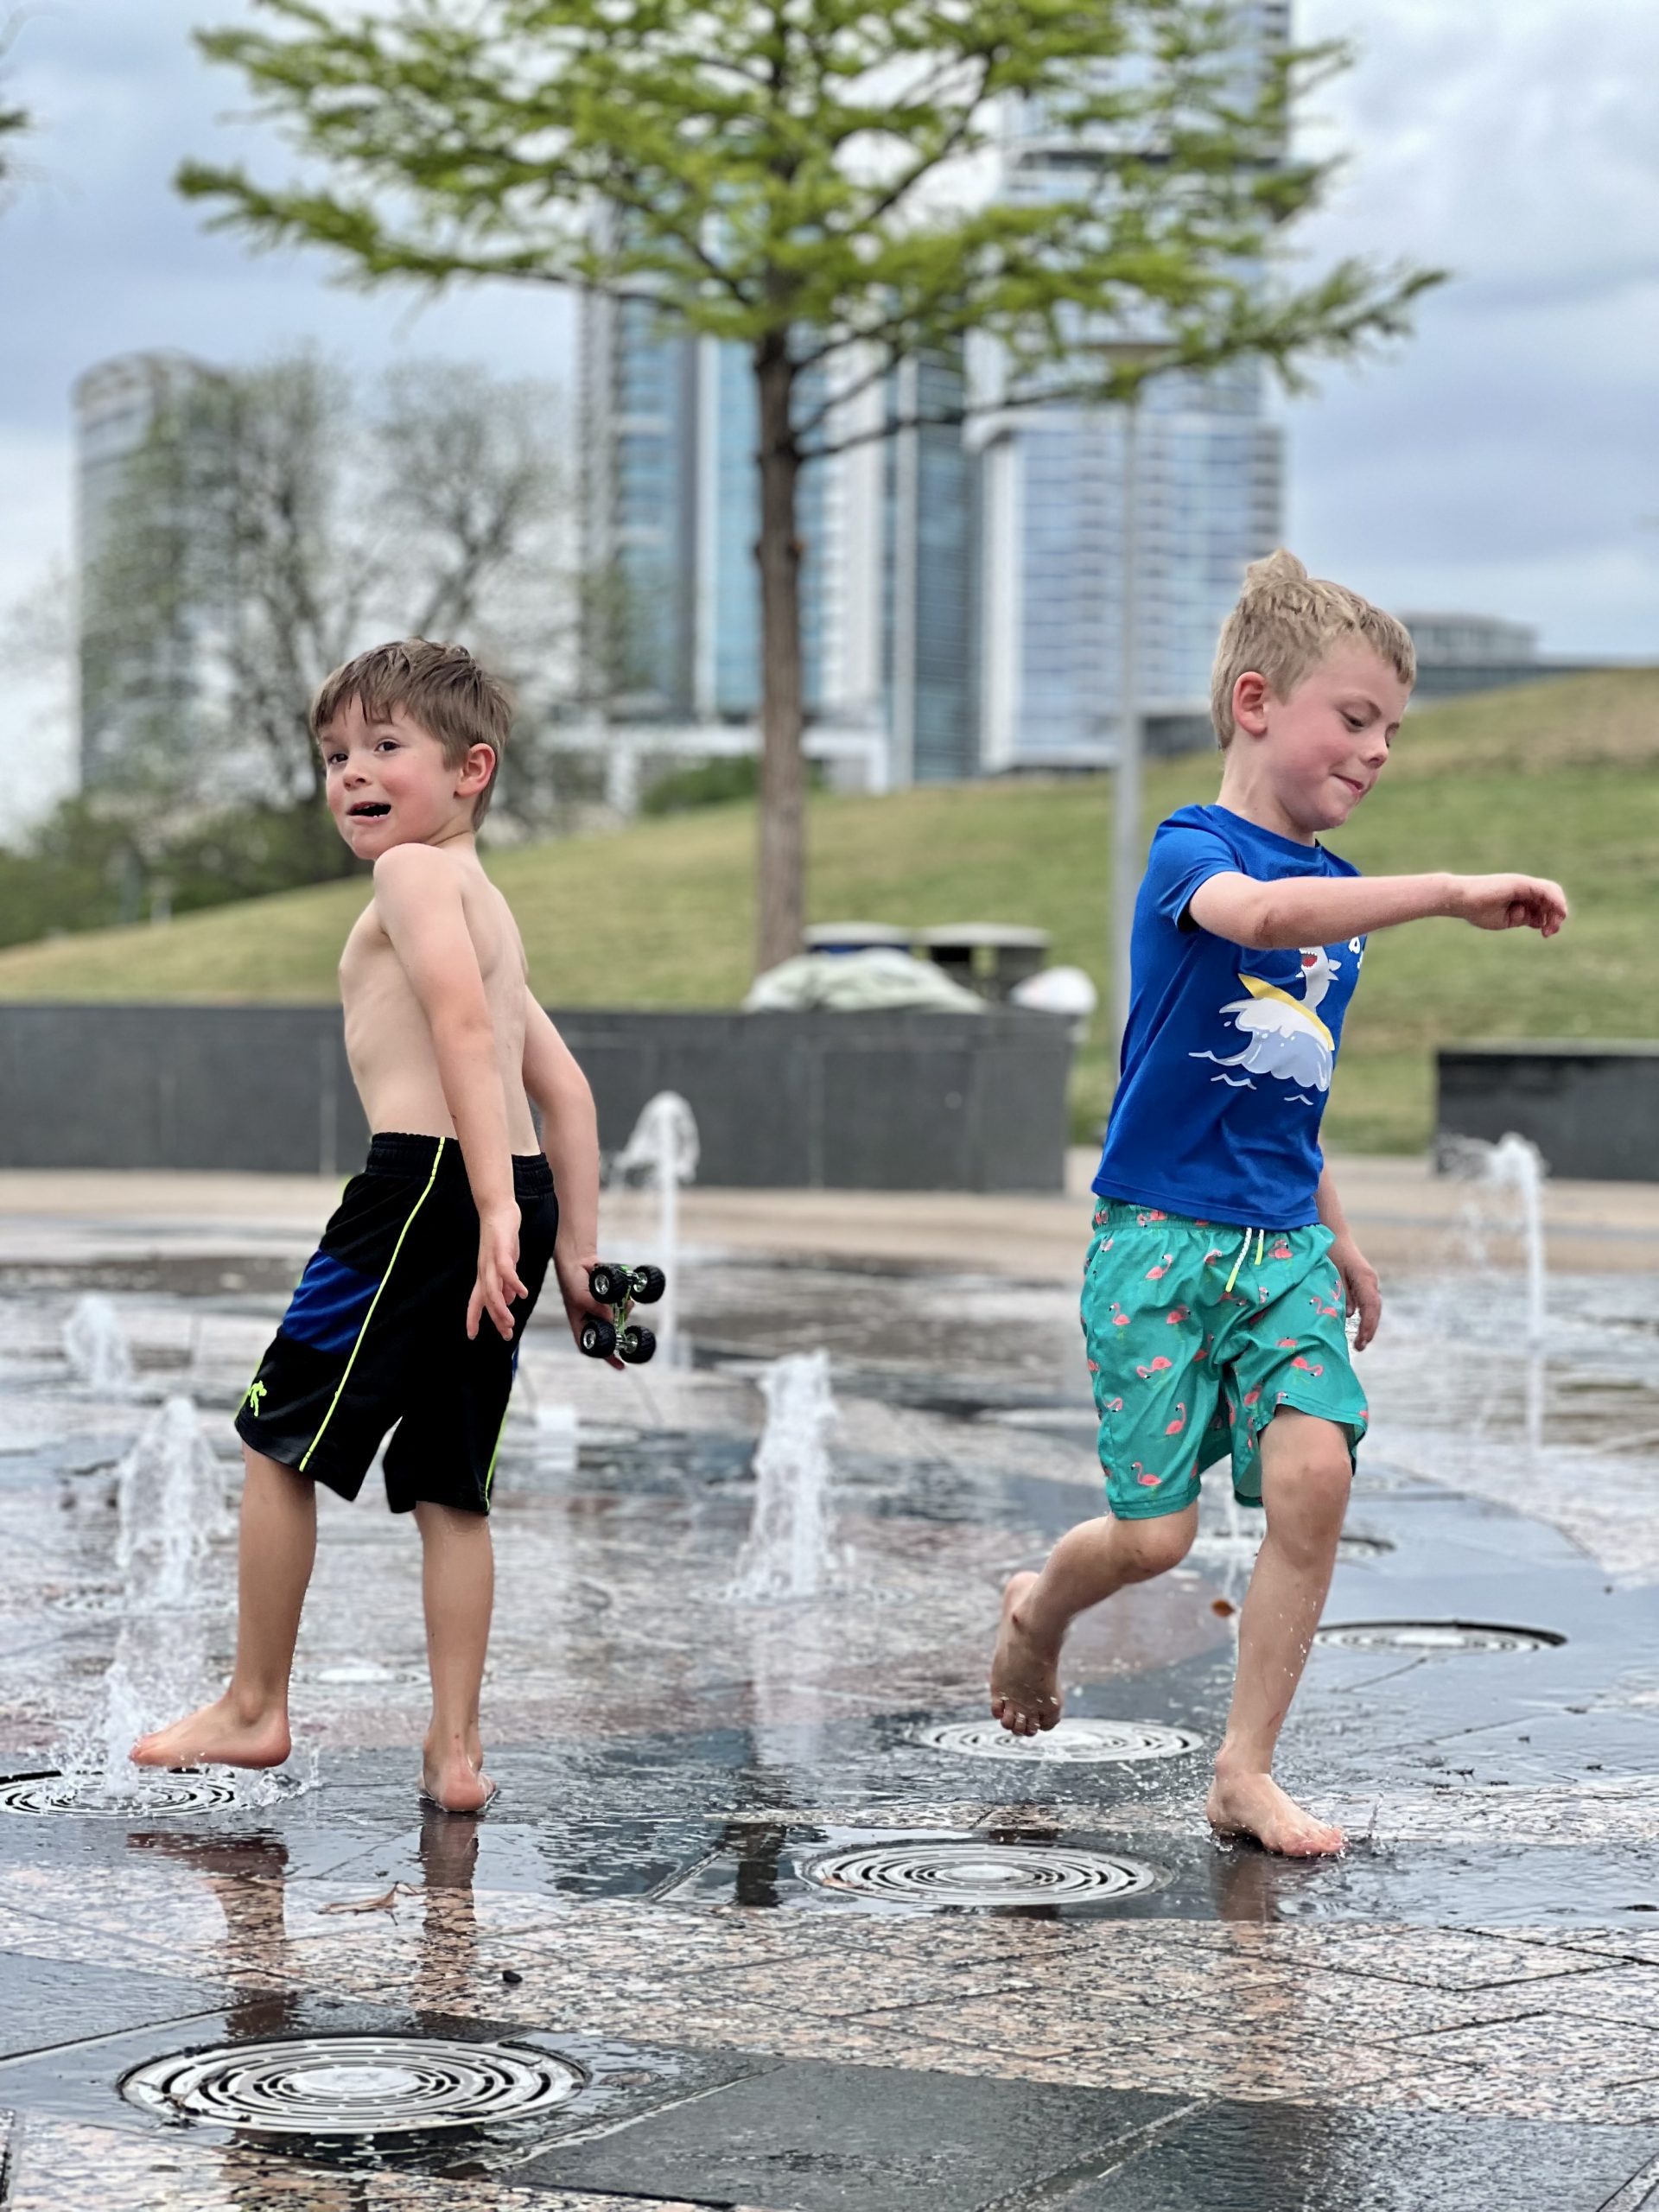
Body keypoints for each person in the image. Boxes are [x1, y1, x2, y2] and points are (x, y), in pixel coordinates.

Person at [988, 551, 1568, 1855]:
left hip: (1283, 1248)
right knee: (1153, 1538)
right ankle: (1039, 1612)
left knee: (1314, 1478)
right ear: (1257, 702)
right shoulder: (1194, 849)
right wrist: (1447, 890)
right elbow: (1256, 922)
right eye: (1353, 720)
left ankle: (1243, 1769)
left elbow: (1285, 1092)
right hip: (1155, 1241)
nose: (1375, 753)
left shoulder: (1342, 910)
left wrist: (1342, 1235)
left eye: (1392, 734)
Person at [133, 639, 608, 1812]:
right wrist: (574, 1249)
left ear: (471, 770)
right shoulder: (487, 904)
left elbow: (455, 1028)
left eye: (387, 748)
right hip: (503, 1190)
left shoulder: (412, 880)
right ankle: (455, 1755)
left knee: (273, 1437)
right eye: (336, 754)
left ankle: (253, 1706)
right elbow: (569, 1091)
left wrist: (492, 1205)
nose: (354, 773)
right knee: (451, 1489)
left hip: (426, 1191)